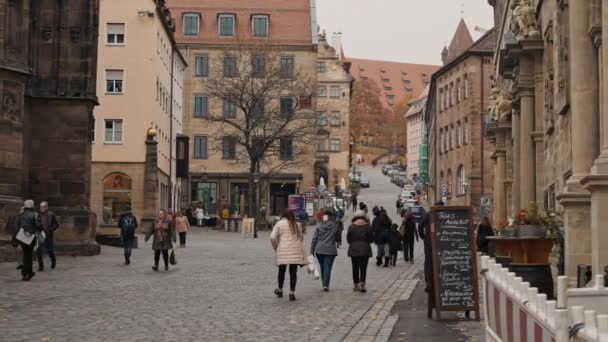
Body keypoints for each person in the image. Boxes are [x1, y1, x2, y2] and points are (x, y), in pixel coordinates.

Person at [270, 209, 306, 301]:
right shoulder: (297, 224)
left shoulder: (279, 224)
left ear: (283, 215)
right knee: (293, 272)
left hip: (282, 250)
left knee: (281, 271)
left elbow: (272, 237)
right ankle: (291, 292)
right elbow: (301, 238)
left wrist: (276, 247)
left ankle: (280, 289)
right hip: (295, 251)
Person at [310, 207, 339, 291]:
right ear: (331, 216)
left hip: (319, 250)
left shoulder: (319, 226)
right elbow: (341, 220)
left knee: (323, 267)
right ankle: (325, 285)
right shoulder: (334, 225)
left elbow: (314, 239)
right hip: (330, 250)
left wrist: (311, 251)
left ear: (324, 216)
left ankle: (324, 284)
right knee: (327, 268)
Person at [12, 200, 42, 281]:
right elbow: (39, 226)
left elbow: (16, 226)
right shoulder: (35, 214)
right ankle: (25, 273)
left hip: (22, 237)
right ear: (32, 206)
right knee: (28, 256)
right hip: (31, 238)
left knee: (26, 255)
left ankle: (29, 273)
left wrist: (14, 239)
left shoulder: (20, 214)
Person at [347, 210, 374, 292]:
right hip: (365, 249)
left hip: (353, 250)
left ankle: (355, 284)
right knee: (363, 267)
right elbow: (371, 239)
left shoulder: (351, 226)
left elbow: (348, 239)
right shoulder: (368, 226)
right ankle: (362, 284)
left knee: (354, 267)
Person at [419, 201, 444, 288]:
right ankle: (430, 279)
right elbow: (420, 226)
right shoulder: (438, 214)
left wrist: (423, 237)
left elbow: (420, 226)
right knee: (432, 260)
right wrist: (424, 237)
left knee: (430, 260)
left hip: (433, 241)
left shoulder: (429, 214)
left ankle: (430, 279)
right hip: (435, 241)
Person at [37, 201, 59, 271]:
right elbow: (36, 223)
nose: (41, 208)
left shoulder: (51, 215)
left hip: (48, 235)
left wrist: (51, 229)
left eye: (43, 207)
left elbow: (56, 224)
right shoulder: (38, 215)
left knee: (50, 251)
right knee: (39, 251)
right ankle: (41, 267)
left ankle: (53, 261)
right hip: (40, 235)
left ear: (46, 207)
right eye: (40, 207)